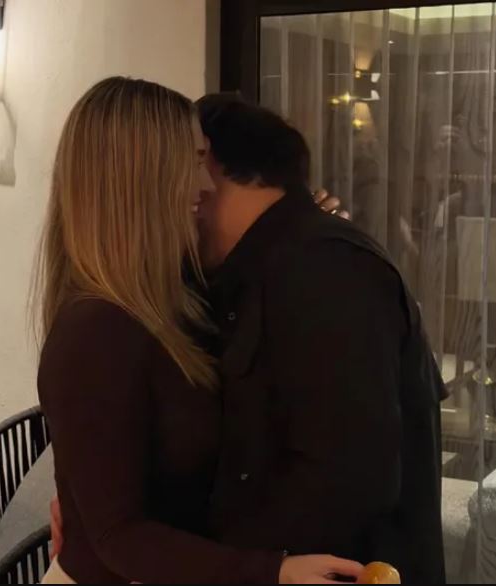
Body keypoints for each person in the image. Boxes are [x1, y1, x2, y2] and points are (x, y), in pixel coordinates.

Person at [34, 77, 363, 584]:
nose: (207, 185)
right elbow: (118, 535)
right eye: (192, 162)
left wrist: (300, 223)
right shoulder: (96, 329)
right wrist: (273, 572)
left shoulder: (172, 301)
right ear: (141, 178)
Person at [194, 93, 446, 583]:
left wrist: (229, 564)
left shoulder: (323, 267)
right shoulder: (262, 263)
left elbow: (348, 476)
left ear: (214, 166)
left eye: (189, 164)